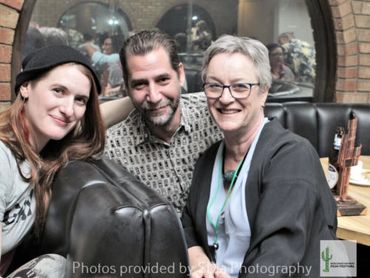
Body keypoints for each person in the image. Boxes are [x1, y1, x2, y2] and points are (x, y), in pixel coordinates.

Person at [181, 35, 337, 277]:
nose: (225, 97)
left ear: (264, 92)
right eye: (214, 85)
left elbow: (278, 259)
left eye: (240, 86)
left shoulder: (293, 155)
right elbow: (188, 219)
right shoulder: (210, 158)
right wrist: (199, 258)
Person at [0, 45, 105, 276]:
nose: (68, 109)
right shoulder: (3, 156)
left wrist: (139, 101)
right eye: (58, 90)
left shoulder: (42, 146)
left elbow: (100, 116)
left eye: (80, 100)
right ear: (26, 86)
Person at [104, 30, 222, 215]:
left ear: (180, 74)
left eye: (163, 79)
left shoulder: (216, 113)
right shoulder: (113, 150)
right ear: (126, 87)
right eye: (139, 84)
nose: (154, 96)